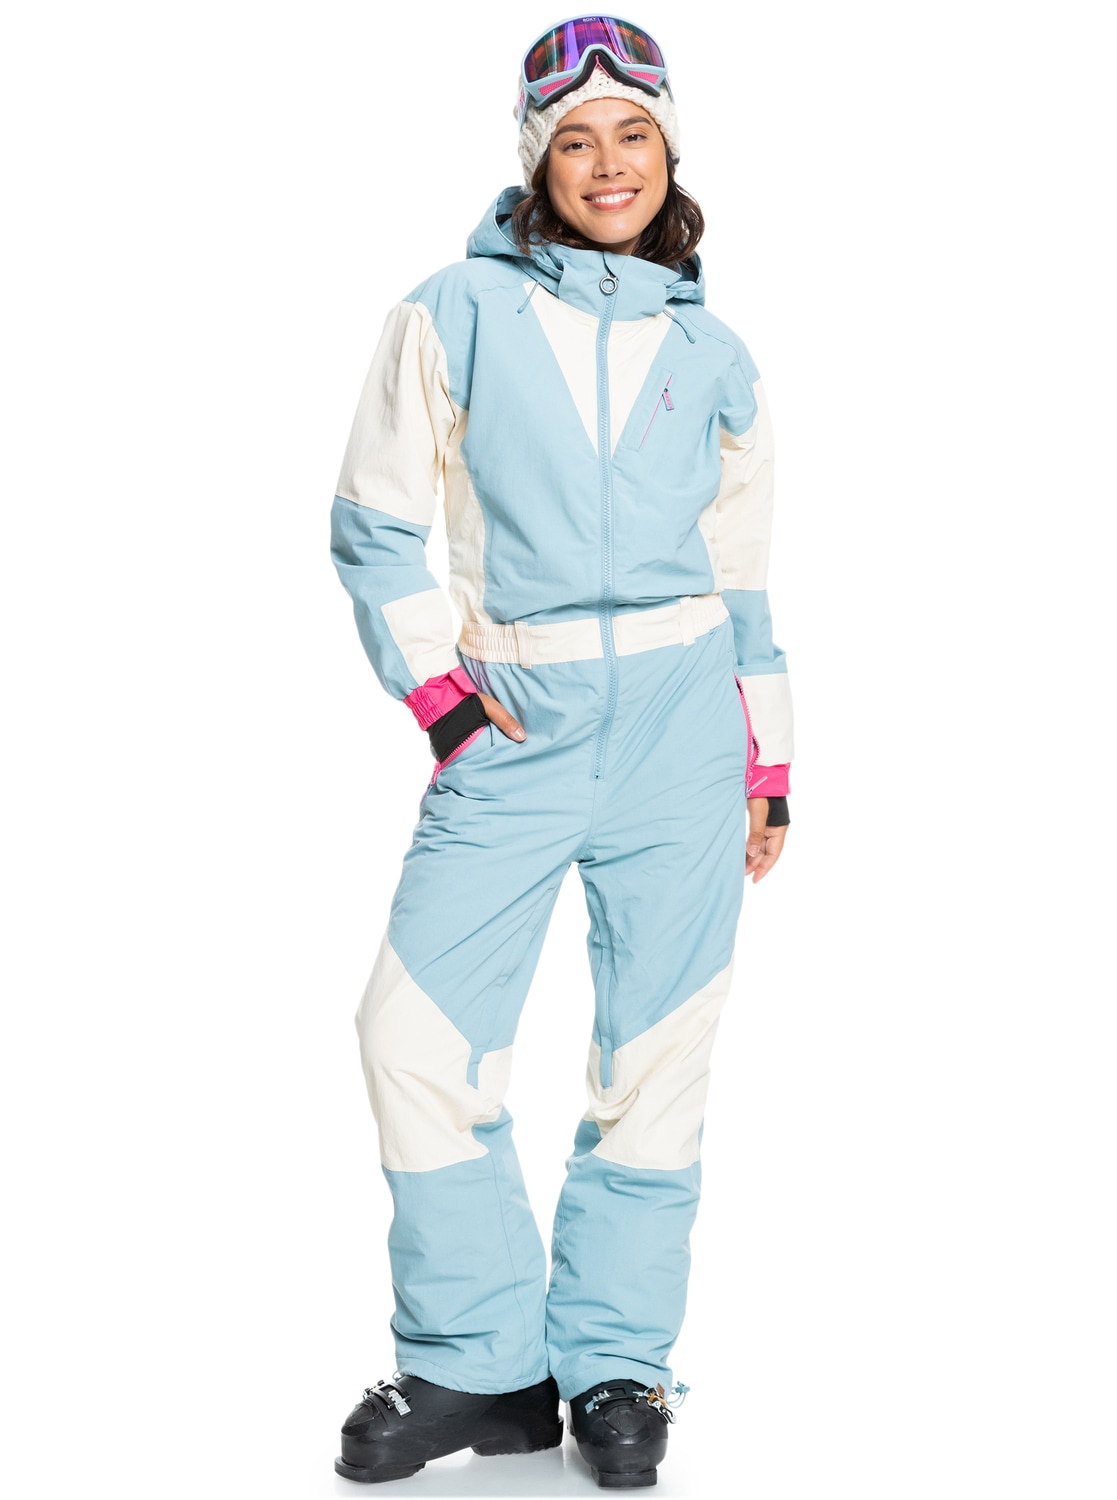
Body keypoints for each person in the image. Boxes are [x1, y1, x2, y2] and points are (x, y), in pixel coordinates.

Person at [328, 14, 794, 1489]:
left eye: (632, 135)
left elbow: (744, 578)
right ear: (537, 161)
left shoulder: (714, 353)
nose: (607, 164)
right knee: (409, 1037)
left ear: (669, 153)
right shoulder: (452, 311)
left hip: (683, 727)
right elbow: (374, 524)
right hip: (514, 729)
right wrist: (445, 705)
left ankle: (614, 1369)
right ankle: (479, 1363)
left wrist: (767, 763)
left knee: (652, 1059)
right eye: (576, 141)